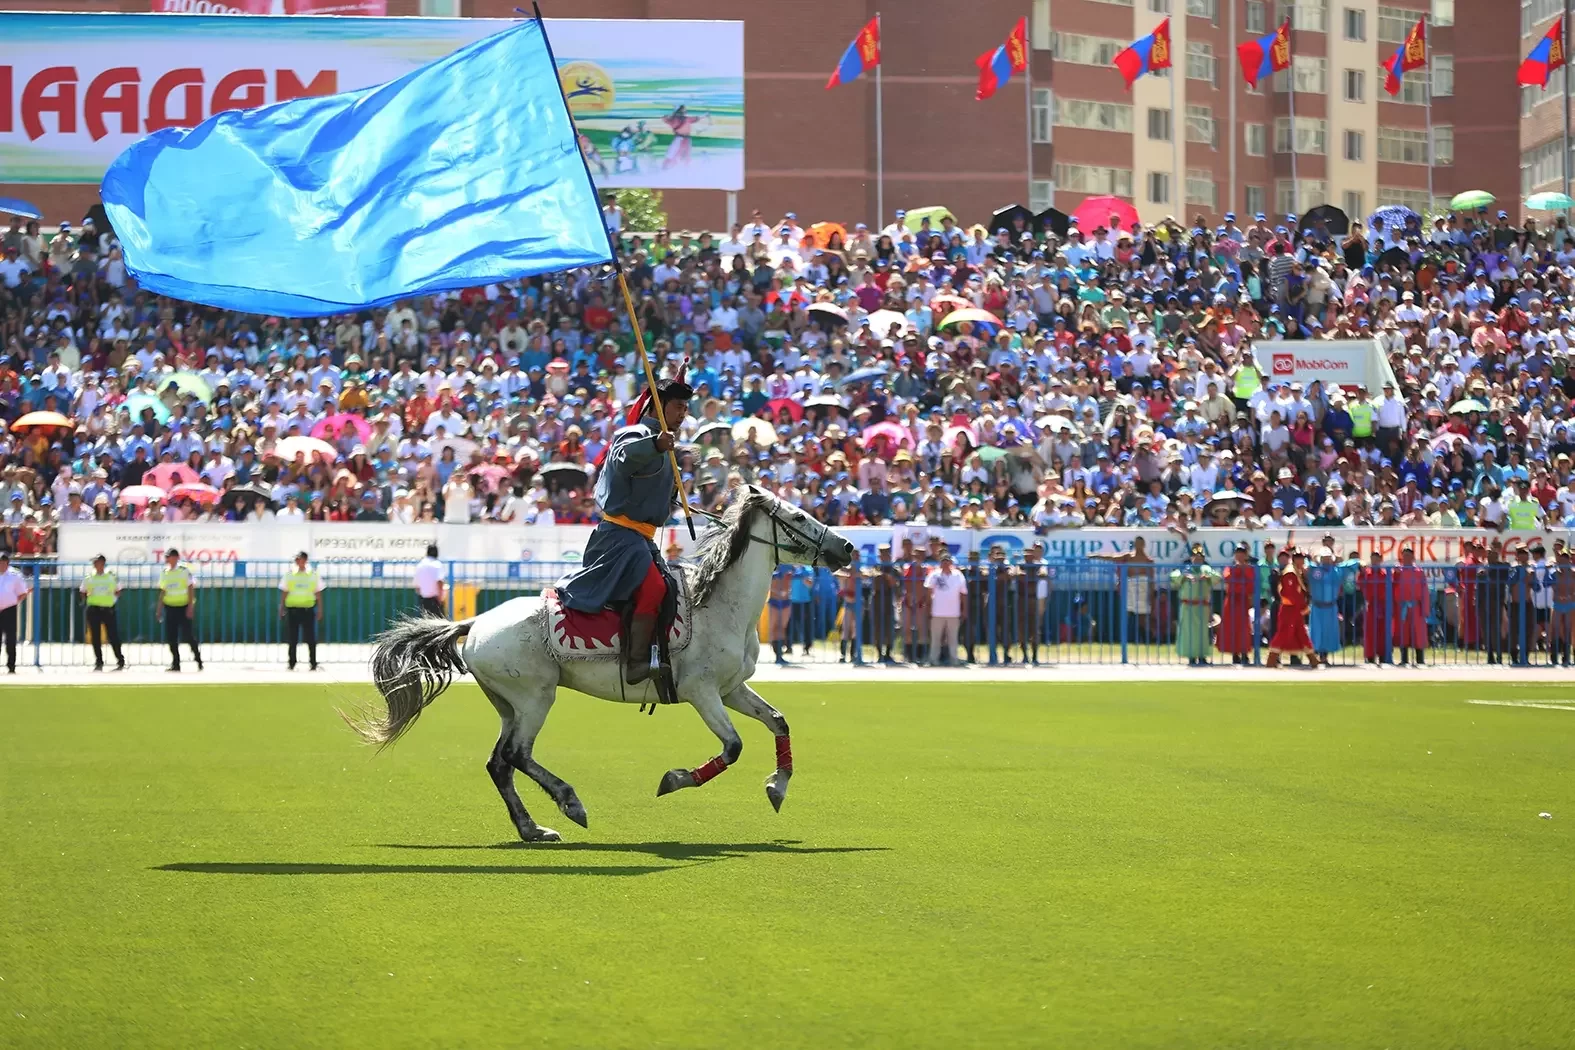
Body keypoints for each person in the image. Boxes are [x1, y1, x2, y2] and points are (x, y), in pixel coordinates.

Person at [557, 372, 693, 699]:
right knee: (655, 587)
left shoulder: (668, 446)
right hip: (619, 537)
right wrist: (654, 445)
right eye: (677, 406)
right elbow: (622, 459)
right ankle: (635, 663)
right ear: (659, 407)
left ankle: (659, 654)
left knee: (673, 587)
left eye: (686, 408)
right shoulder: (634, 435)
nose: (683, 413)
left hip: (642, 538)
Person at [1170, 544, 1219, 667]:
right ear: (1191, 558)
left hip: (1202, 607)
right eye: (1195, 557)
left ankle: (1202, 657)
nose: (1197, 560)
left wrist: (1207, 576)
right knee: (1189, 633)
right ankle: (1191, 657)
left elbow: (1217, 577)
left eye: (1200, 557)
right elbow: (1173, 577)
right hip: (1187, 607)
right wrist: (1184, 576)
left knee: (1202, 633)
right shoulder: (1185, 569)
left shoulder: (1206, 569)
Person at [156, 547, 202, 672]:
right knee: (171, 637)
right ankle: (176, 664)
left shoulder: (184, 571)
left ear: (176, 557)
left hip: (183, 607)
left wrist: (190, 606)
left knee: (188, 636)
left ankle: (198, 660)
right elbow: (163, 591)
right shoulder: (164, 572)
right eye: (166, 557)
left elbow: (190, 588)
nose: (167, 559)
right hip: (170, 608)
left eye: (169, 556)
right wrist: (159, 608)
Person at [1265, 549, 1314, 668]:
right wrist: (1303, 606)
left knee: (1301, 633)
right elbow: (1290, 594)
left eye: (1302, 558)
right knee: (1283, 633)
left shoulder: (1298, 572)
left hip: (1294, 609)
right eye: (1298, 558)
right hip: (1289, 609)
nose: (1301, 560)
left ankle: (1313, 660)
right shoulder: (1290, 573)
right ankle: (1271, 660)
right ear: (1294, 559)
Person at [279, 551, 325, 671]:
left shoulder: (313, 575)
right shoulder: (289, 575)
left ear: (305, 560)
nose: (299, 562)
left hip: (308, 609)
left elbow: (318, 593)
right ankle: (292, 663)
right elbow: (284, 591)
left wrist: (320, 609)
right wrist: (281, 607)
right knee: (292, 638)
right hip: (293, 609)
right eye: (297, 559)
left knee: (310, 638)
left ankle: (313, 663)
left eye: (301, 559)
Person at [79, 554, 125, 671]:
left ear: (102, 563)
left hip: (108, 609)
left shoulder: (111, 576)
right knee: (95, 637)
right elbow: (83, 590)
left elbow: (119, 590)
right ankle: (99, 662)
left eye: (96, 562)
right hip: (94, 609)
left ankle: (120, 660)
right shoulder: (89, 576)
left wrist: (112, 600)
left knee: (113, 635)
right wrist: (87, 600)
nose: (94, 564)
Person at [924, 550, 966, 667]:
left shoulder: (958, 575)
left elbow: (963, 593)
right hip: (937, 612)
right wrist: (928, 608)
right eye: (943, 561)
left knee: (953, 638)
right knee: (936, 638)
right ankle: (933, 659)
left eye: (947, 561)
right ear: (940, 562)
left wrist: (964, 610)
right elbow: (928, 592)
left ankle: (954, 659)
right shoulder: (934, 575)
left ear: (951, 562)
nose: (945, 564)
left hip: (954, 612)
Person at [1305, 548, 1346, 667]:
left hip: (1331, 606)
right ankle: (1315, 656)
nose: (1326, 560)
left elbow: (1352, 564)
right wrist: (1312, 560)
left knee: (1328, 632)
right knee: (1316, 631)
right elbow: (1306, 567)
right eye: (1324, 558)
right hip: (1317, 606)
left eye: (1328, 558)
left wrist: (1341, 559)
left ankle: (1324, 656)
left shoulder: (1337, 570)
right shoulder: (1315, 569)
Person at [1391, 546, 1430, 666]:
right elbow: (1392, 587)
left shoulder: (1419, 572)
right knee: (1403, 632)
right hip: (1402, 606)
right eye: (1404, 556)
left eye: (1409, 556)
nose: (1406, 558)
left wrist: (1425, 609)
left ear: (1413, 557)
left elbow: (1424, 591)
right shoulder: (1397, 571)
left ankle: (1420, 658)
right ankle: (1404, 658)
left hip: (1416, 606)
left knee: (1418, 633)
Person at [1217, 543, 1256, 665]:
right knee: (1231, 627)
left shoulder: (1250, 568)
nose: (1239, 555)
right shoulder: (1230, 568)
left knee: (1244, 628)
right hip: (1232, 601)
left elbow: (1251, 584)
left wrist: (1243, 569)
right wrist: (1239, 570)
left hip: (1243, 600)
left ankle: (1244, 654)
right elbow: (1227, 578)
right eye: (1237, 553)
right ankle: (1235, 654)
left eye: (1242, 553)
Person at [0, 552, 30, 674]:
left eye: (4, 562)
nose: (2, 565)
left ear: (8, 563)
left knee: (10, 639)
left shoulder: (15, 575)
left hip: (9, 610)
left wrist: (12, 602)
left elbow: (22, 593)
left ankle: (11, 666)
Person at [1358, 552, 1391, 664]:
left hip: (1383, 605)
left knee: (1382, 633)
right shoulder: (1366, 573)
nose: (1374, 561)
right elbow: (1360, 584)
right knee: (1370, 633)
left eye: (1377, 559)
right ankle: (1370, 657)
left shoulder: (1385, 574)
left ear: (1380, 560)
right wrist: (1361, 573)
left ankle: (1383, 656)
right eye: (1373, 559)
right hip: (1371, 606)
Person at [1550, 546, 1575, 667]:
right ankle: (1554, 656)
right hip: (1558, 604)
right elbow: (1552, 587)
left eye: (1566, 558)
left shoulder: (1573, 573)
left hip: (1570, 604)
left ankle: (1566, 656)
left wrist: (1571, 596)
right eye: (1562, 558)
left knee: (1568, 629)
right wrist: (1558, 596)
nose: (1564, 560)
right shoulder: (1555, 573)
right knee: (1555, 629)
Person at [415, 543, 446, 617]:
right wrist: (440, 598)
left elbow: (417, 587)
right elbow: (440, 582)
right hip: (435, 600)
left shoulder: (420, 565)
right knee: (439, 624)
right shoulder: (437, 564)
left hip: (423, 600)